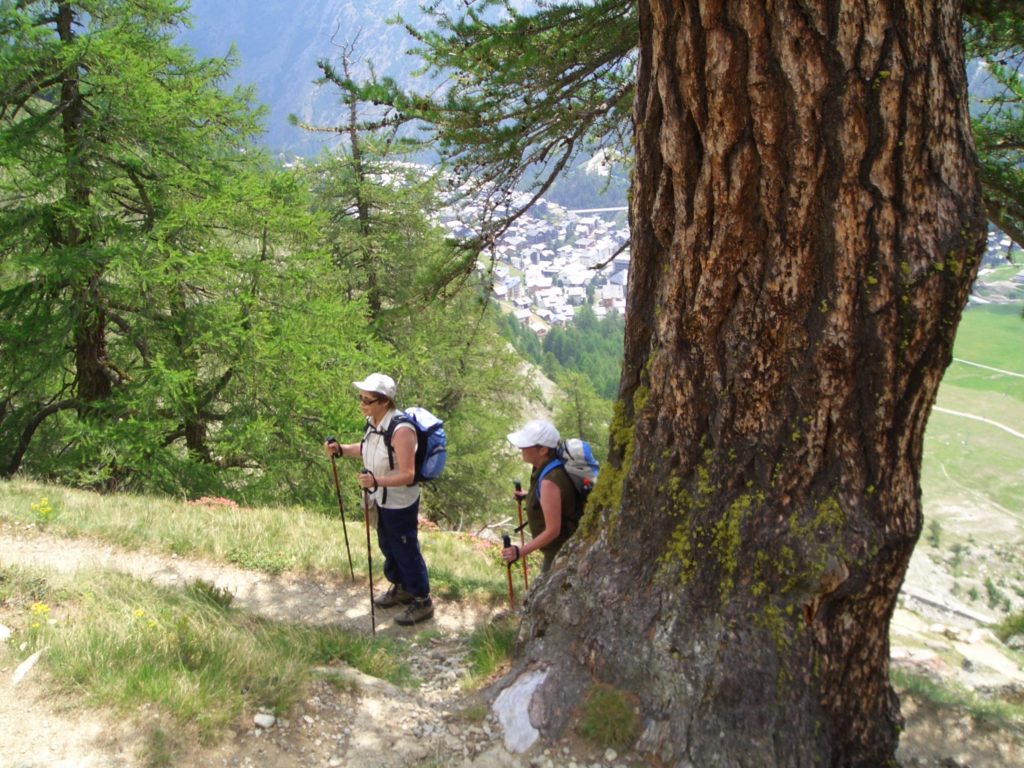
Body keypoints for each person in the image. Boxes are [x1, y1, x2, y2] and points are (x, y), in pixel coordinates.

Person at [324, 372, 434, 626]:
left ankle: (422, 600)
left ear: (384, 401)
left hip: (399, 502)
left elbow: (408, 474)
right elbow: (366, 449)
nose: (362, 403)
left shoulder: (402, 430)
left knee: (406, 550)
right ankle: (402, 587)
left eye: (367, 400)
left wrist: (375, 481)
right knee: (387, 545)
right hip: (379, 499)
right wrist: (341, 450)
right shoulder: (373, 423)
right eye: (361, 398)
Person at [502, 419, 582, 574]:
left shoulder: (549, 481)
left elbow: (553, 531)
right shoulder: (553, 467)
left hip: (559, 556)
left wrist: (519, 552)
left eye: (526, 445)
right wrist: (530, 495)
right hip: (562, 551)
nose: (521, 448)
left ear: (543, 450)